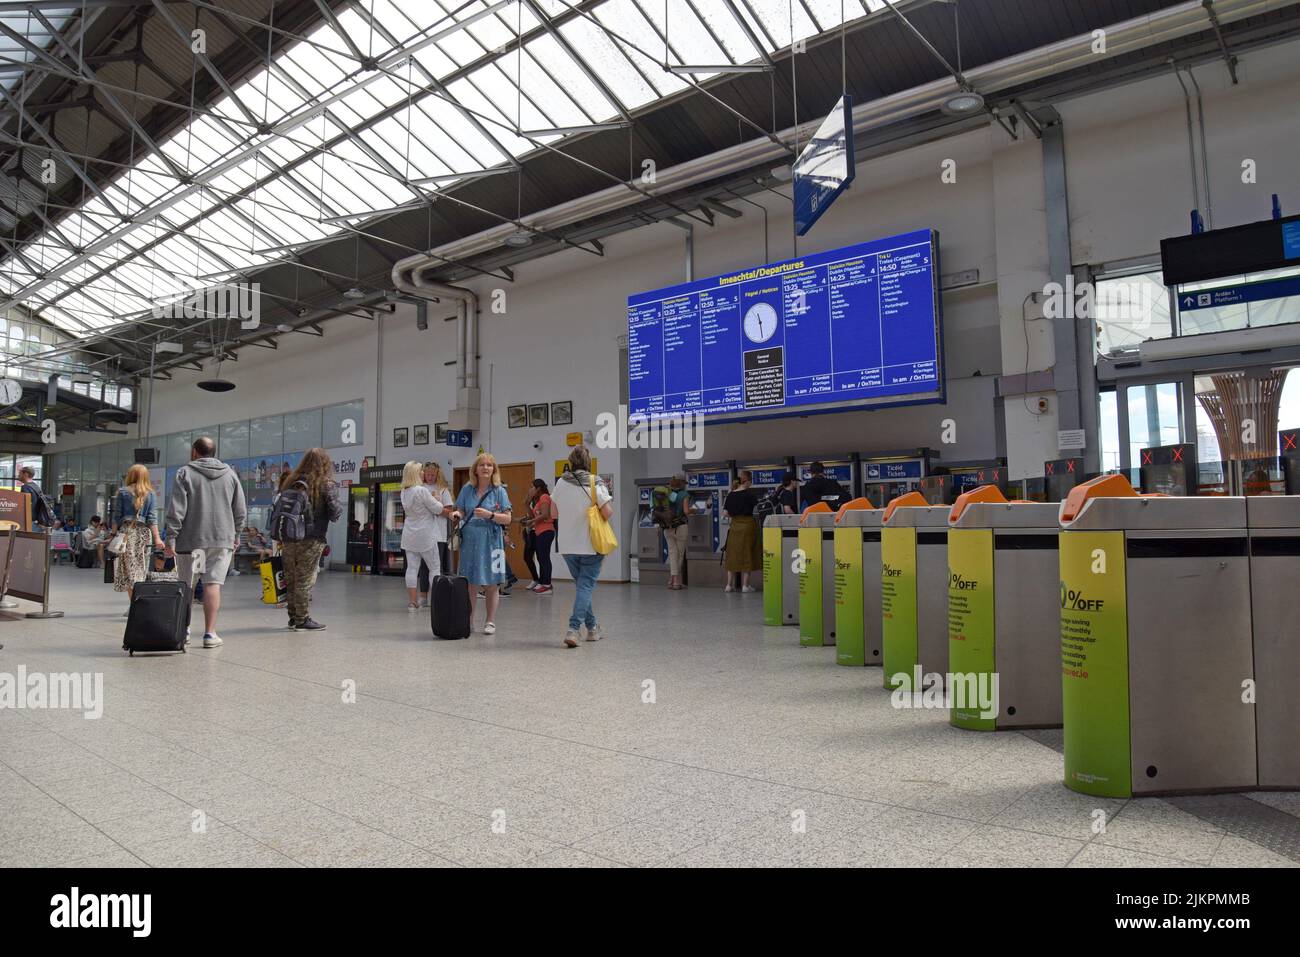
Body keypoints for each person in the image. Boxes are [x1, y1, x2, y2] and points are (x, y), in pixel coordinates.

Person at [164, 436, 247, 649]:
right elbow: (240, 510)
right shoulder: (230, 474)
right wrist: (236, 535)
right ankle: (210, 634)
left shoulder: (184, 473)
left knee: (188, 586)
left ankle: (185, 630)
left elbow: (177, 509)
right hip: (220, 541)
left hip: (192, 541)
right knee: (212, 585)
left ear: (194, 451)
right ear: (214, 452)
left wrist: (171, 538)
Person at [553, 445, 613, 648]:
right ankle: (573, 629)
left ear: (570, 462)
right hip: (591, 543)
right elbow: (607, 512)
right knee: (586, 586)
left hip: (567, 545)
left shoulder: (561, 482)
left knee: (582, 587)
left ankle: (593, 628)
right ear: (588, 463)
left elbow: (553, 513)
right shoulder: (595, 482)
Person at [276, 447, 341, 631]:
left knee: (291, 578)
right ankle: (302, 620)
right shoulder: (325, 484)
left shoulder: (290, 482)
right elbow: (335, 513)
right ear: (325, 463)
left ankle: (293, 617)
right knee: (305, 579)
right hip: (312, 538)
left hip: (289, 537)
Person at [453, 452, 512, 635]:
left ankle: (490, 621)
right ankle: (469, 620)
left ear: (494, 469)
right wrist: (457, 515)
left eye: (489, 465)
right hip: (470, 541)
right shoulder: (467, 489)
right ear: (475, 470)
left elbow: (508, 519)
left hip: (492, 541)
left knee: (492, 583)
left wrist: (490, 515)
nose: (486, 468)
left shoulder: (500, 491)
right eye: (482, 465)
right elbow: (461, 509)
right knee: (470, 583)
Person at [400, 460, 458, 611]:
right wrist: (450, 513)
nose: (423, 473)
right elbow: (438, 509)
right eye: (421, 471)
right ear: (415, 473)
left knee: (412, 568)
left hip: (409, 534)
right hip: (425, 534)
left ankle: (413, 603)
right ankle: (437, 602)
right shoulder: (421, 491)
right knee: (434, 568)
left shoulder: (404, 491)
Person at [112, 466, 164, 608]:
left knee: (129, 570)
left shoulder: (123, 492)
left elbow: (117, 517)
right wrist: (158, 538)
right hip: (144, 535)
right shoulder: (151, 494)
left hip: (127, 534)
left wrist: (112, 535)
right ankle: (137, 604)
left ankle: (134, 605)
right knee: (141, 569)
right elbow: (152, 519)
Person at [414, 462, 455, 607]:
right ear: (423, 474)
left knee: (437, 567)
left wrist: (435, 508)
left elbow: (449, 512)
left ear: (438, 475)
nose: (430, 477)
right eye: (428, 474)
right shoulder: (419, 489)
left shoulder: (443, 490)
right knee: (423, 567)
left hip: (439, 534)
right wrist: (435, 507)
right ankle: (423, 596)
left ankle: (437, 597)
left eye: (433, 474)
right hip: (423, 533)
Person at [722, 471, 762, 593]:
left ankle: (729, 585)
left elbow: (725, 513)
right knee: (747, 553)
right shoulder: (750, 495)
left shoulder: (730, 495)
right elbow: (758, 510)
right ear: (748, 481)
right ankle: (745, 585)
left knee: (732, 554)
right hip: (748, 525)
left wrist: (735, 515)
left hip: (735, 526)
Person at [654, 474, 690, 590]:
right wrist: (695, 510)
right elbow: (686, 511)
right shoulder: (684, 494)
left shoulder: (667, 493)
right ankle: (676, 582)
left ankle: (672, 579)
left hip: (667, 527)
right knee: (679, 554)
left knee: (672, 554)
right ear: (682, 483)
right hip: (680, 527)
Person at [521, 479, 556, 595]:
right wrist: (527, 504)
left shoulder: (544, 497)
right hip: (540, 532)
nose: (530, 490)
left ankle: (547, 585)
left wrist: (531, 521)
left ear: (538, 488)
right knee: (541, 558)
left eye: (532, 487)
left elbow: (545, 515)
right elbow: (534, 516)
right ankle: (543, 583)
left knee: (544, 558)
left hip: (546, 531)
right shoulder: (538, 501)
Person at [18, 466, 55, 530]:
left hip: (30, 522)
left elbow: (25, 506)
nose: (18, 475)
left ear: (26, 474)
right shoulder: (36, 486)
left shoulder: (25, 487)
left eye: (20, 473)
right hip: (39, 522)